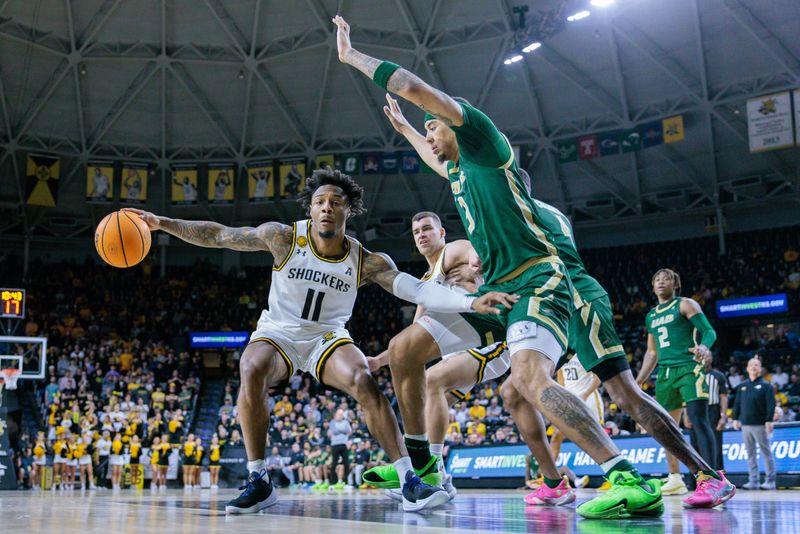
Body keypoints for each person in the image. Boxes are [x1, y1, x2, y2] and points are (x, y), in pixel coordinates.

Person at [367, 67, 735, 508]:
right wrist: (408, 128)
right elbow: (440, 163)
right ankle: (552, 478)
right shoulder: (481, 189)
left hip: (565, 291)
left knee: (603, 391)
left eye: (433, 126)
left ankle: (680, 473)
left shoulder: (520, 202)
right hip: (527, 292)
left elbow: (538, 256)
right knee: (514, 389)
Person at [125, 168, 513, 514]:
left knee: (363, 378)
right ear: (310, 210)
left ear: (349, 211)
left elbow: (419, 292)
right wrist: (163, 222)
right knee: (251, 365)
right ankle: (259, 479)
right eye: (319, 202)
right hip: (278, 331)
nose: (327, 207)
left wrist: (470, 301)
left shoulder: (367, 260)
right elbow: (220, 235)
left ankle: (409, 478)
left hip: (327, 337)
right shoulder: (281, 238)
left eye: (336, 202)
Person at [636, 269, 719, 496]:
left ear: (676, 285)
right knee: (665, 429)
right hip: (664, 374)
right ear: (653, 286)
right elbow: (651, 353)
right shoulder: (651, 315)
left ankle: (712, 477)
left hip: (689, 368)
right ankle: (675, 478)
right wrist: (639, 381)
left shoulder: (685, 304)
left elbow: (708, 331)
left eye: (667, 279)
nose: (662, 282)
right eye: (657, 280)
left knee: (699, 421)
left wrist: (704, 347)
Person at [732, 357, 776, 490]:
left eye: (757, 365)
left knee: (766, 453)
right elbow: (737, 404)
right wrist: (735, 418)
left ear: (761, 368)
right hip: (745, 425)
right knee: (750, 454)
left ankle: (770, 481)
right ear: (747, 368)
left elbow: (771, 405)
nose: (754, 367)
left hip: (760, 425)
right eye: (751, 365)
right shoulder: (742, 386)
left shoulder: (766, 386)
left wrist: (769, 420)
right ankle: (753, 481)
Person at [704, 354, 729, 471]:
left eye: (708, 356)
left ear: (711, 359)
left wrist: (723, 416)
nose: (705, 358)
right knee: (698, 446)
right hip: (697, 411)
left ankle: (719, 478)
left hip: (713, 411)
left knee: (716, 445)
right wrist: (686, 415)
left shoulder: (718, 376)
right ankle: (697, 480)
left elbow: (723, 397)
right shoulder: (692, 375)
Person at [328, 409, 352, 490]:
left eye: (341, 414)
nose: (340, 416)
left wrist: (341, 431)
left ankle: (346, 482)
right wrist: (343, 431)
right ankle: (332, 482)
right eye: (339, 414)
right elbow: (334, 431)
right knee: (334, 463)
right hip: (335, 445)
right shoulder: (332, 422)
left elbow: (349, 431)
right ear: (336, 415)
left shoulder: (346, 422)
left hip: (343, 444)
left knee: (346, 463)